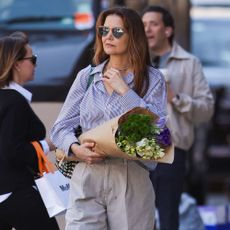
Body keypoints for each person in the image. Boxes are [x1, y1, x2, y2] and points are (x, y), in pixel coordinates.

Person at [51, 7, 167, 230]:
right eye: (104, 30)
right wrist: (75, 148)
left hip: (131, 173)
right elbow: (60, 128)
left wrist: (125, 92)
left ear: (132, 35)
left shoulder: (153, 79)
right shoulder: (87, 76)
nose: (108, 37)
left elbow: (157, 133)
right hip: (87, 172)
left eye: (117, 32)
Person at [142, 6, 214, 230]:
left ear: (168, 30)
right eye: (143, 25)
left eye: (153, 24)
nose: (147, 30)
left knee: (168, 217)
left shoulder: (189, 63)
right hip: (135, 148)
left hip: (170, 148)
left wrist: (176, 98)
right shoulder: (133, 62)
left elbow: (206, 110)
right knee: (137, 216)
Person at [0, 32, 59, 230]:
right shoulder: (14, 101)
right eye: (32, 59)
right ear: (16, 64)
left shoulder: (8, 99)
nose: (35, 64)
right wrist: (47, 145)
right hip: (15, 192)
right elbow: (12, 150)